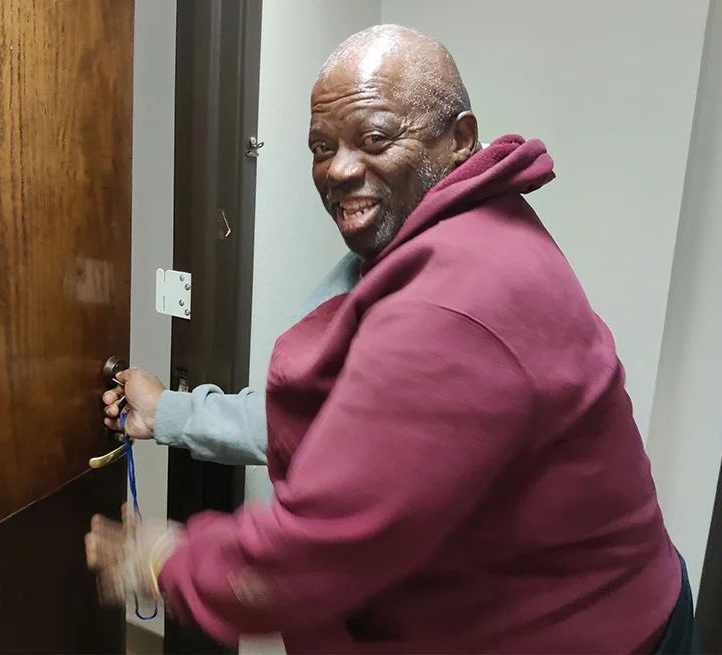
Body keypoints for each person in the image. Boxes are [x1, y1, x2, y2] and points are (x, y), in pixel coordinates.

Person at [86, 25, 696, 653]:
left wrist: (168, 561)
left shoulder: (456, 304)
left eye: (375, 138)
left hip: (597, 632)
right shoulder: (461, 225)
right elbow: (359, 429)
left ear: (459, 139)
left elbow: (317, 553)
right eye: (322, 146)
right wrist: (171, 411)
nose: (341, 169)